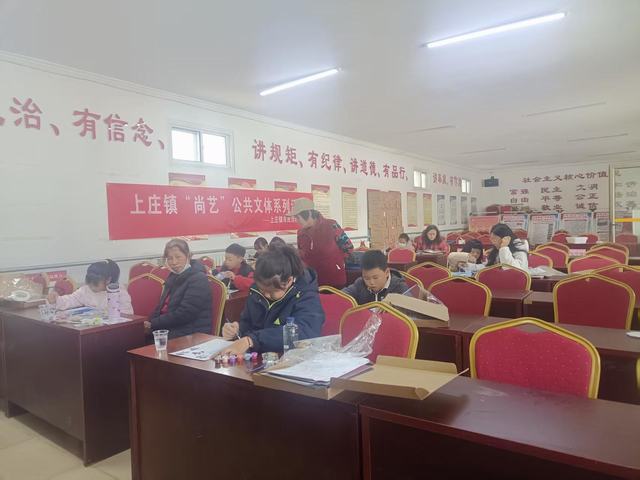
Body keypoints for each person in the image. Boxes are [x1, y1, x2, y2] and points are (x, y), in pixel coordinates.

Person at [221, 245, 324, 355]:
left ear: (288, 281)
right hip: (258, 357)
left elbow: (305, 332)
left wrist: (252, 340)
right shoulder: (257, 290)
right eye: (262, 290)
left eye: (272, 292)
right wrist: (237, 329)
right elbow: (248, 323)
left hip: (289, 358)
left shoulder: (306, 296)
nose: (266, 295)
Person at [147, 238, 212, 338]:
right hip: (172, 327)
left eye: (178, 257)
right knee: (134, 335)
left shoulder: (198, 278)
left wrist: (153, 324)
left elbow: (185, 314)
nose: (174, 262)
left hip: (190, 332)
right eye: (170, 258)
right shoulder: (173, 275)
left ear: (188, 256)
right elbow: (161, 307)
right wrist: (150, 322)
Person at [292, 198, 354, 288]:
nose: (297, 221)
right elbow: (302, 254)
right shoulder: (300, 233)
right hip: (312, 283)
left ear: (308, 214)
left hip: (335, 281)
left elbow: (348, 247)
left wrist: (336, 263)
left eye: (298, 217)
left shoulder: (331, 225)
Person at [48, 260, 133, 314]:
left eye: (95, 284)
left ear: (108, 280)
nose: (91, 287)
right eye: (89, 283)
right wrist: (56, 300)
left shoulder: (119, 293)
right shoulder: (86, 290)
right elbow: (71, 300)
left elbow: (127, 315)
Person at [343, 250, 408, 304]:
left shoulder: (399, 286)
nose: (371, 282)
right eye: (367, 278)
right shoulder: (360, 283)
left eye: (375, 278)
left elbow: (410, 307)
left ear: (387, 272)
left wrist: (394, 303)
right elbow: (342, 295)